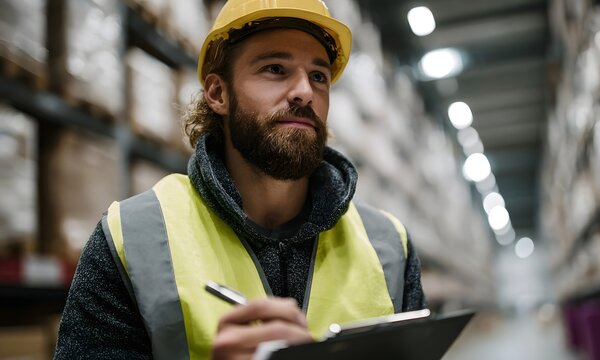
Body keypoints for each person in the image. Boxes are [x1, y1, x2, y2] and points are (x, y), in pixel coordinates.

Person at [54, 0, 427, 359]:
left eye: (318, 76)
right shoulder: (131, 240)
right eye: (275, 69)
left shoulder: (387, 248)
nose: (304, 92)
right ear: (218, 94)